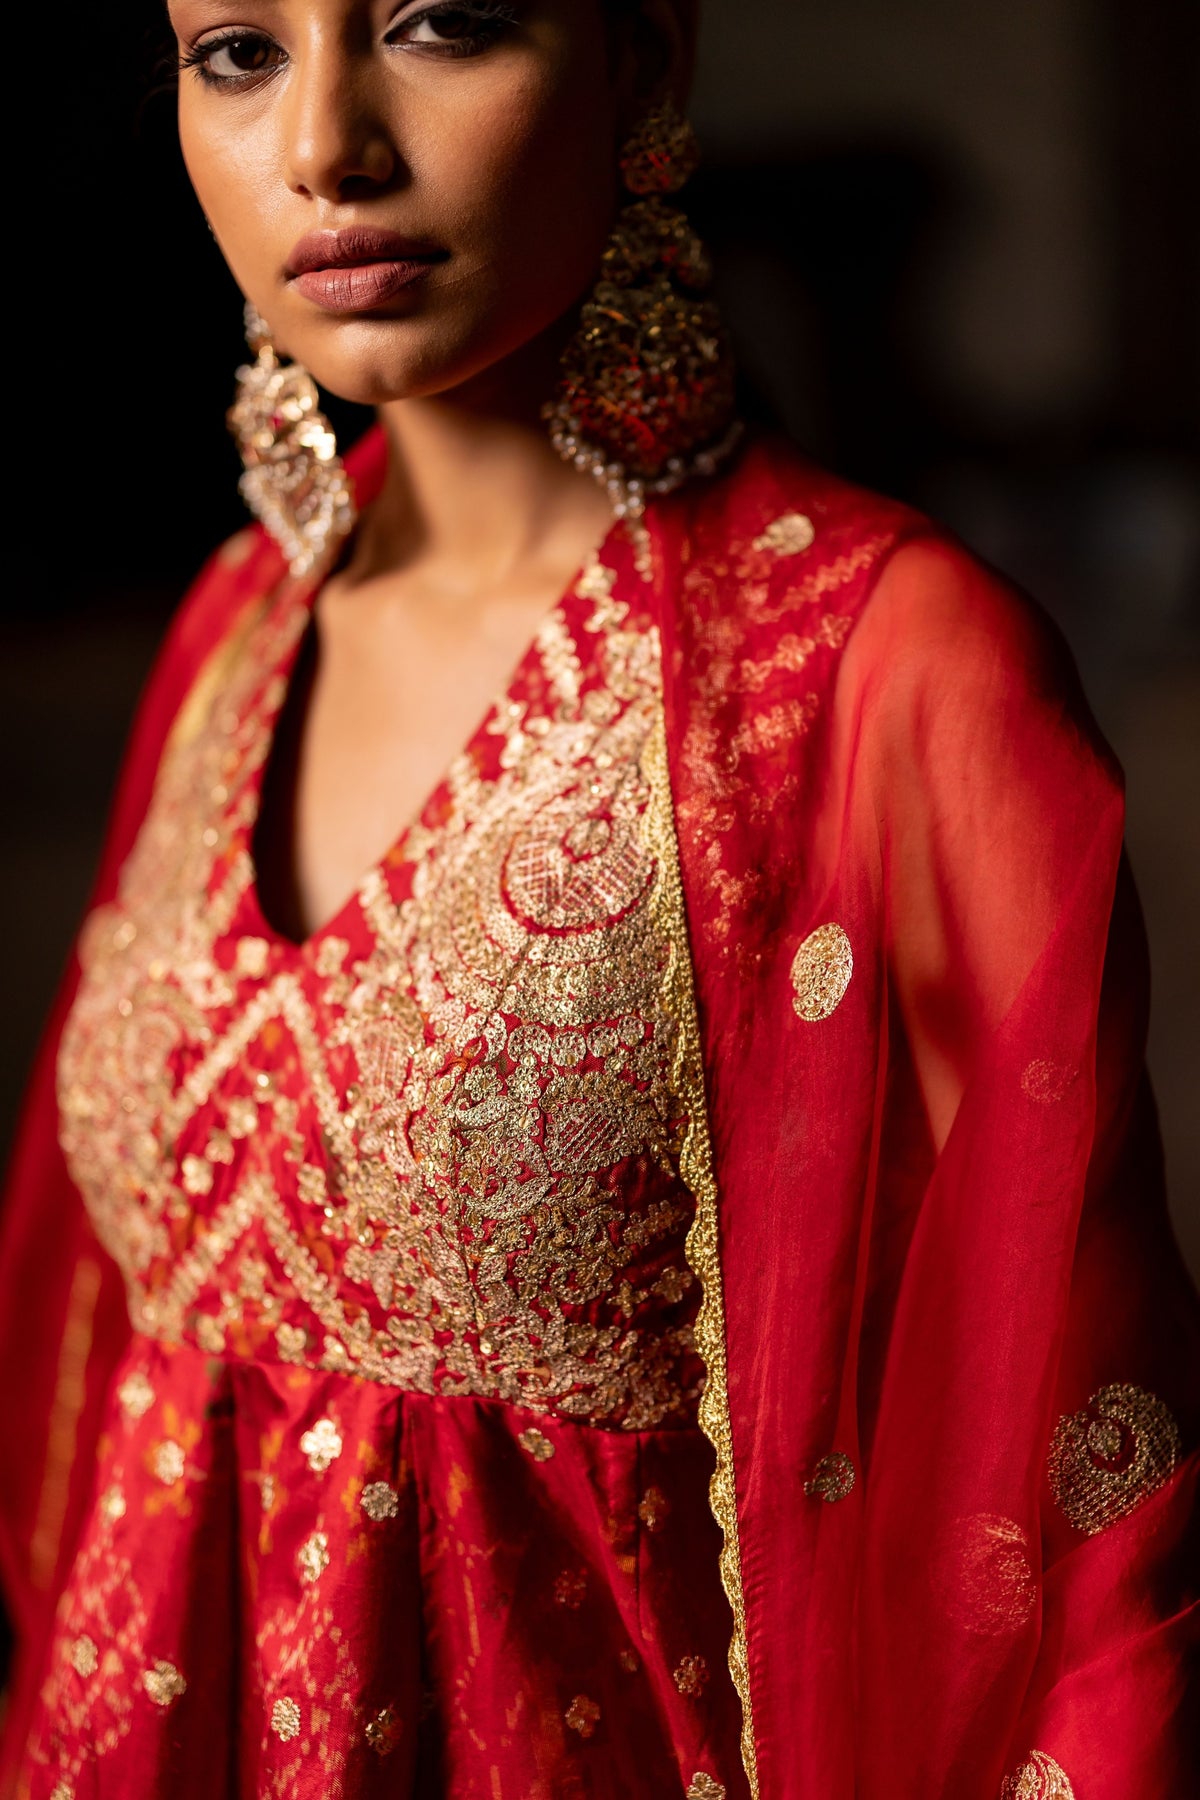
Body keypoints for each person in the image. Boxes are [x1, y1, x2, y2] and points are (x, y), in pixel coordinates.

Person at [0, 2, 1195, 1796]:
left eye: (441, 25)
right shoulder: (230, 631)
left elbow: (1091, 1526)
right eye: (238, 52)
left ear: (644, 69)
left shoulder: (882, 671)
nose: (329, 142)